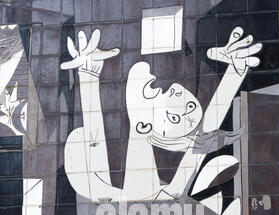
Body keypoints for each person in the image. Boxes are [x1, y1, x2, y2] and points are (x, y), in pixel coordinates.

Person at [61, 26, 262, 202]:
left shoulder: (134, 192)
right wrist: (235, 72)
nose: (177, 93)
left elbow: (204, 134)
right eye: (189, 107)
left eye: (175, 116)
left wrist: (89, 74)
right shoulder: (151, 194)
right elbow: (204, 135)